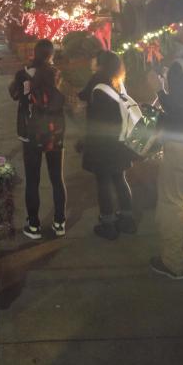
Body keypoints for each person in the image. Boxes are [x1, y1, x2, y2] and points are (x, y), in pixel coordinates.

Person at [9, 39, 67, 239]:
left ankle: (33, 225)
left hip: (30, 133)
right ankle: (59, 222)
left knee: (32, 181)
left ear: (34, 53)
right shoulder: (57, 74)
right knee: (56, 179)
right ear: (51, 55)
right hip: (54, 132)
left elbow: (14, 95)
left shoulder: (24, 74)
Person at [80, 51, 136, 240]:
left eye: (95, 58)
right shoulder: (117, 82)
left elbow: (95, 120)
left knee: (103, 182)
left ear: (101, 63)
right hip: (120, 142)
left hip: (103, 144)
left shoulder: (98, 84)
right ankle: (127, 220)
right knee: (120, 179)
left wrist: (85, 142)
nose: (92, 59)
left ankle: (108, 224)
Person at [150, 56, 183, 279]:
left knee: (172, 202)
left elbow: (180, 109)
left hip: (180, 145)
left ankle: (174, 263)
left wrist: (159, 90)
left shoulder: (180, 67)